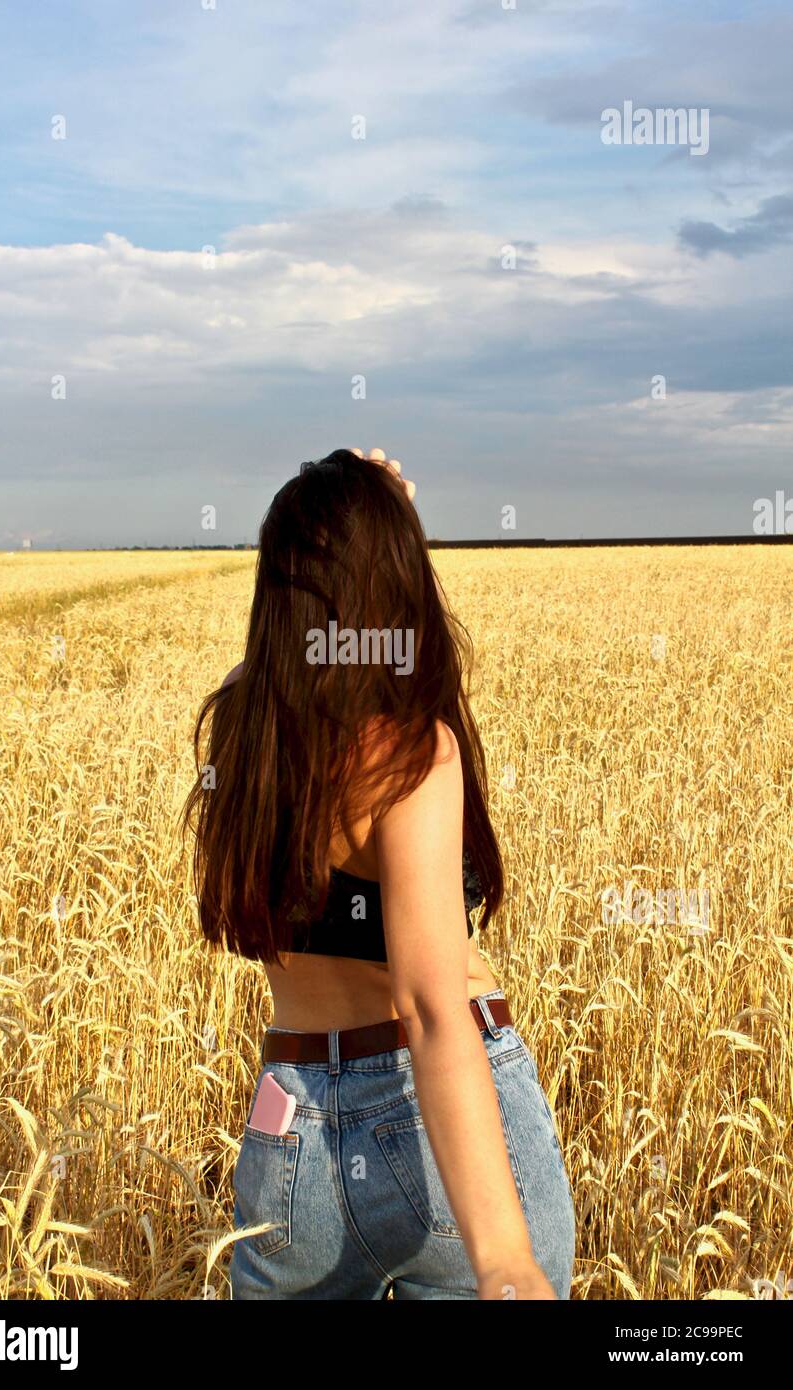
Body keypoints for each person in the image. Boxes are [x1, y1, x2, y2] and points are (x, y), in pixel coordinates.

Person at [183, 447, 576, 1300]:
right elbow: (431, 1009)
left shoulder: (243, 732)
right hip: (448, 1140)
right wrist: (505, 1258)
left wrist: (353, 519)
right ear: (398, 580)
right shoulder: (410, 751)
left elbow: (288, 659)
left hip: (293, 1138)